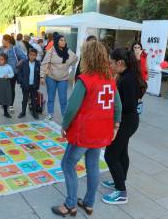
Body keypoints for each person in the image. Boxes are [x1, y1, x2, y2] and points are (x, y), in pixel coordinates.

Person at [51, 41, 121, 217]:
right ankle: (89, 203)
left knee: (67, 164)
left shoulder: (85, 80)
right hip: (101, 132)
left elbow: (72, 107)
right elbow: (117, 105)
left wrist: (64, 125)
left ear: (87, 58)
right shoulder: (110, 80)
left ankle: (70, 205)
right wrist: (116, 125)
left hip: (85, 133)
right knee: (93, 165)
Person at [101, 48, 142, 205]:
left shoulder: (127, 78)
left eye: (111, 63)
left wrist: (112, 107)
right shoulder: (126, 75)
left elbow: (129, 104)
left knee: (110, 156)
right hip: (128, 120)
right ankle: (119, 180)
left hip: (126, 121)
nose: (110, 66)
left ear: (120, 63)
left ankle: (121, 192)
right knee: (121, 152)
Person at [40, 35, 78, 121]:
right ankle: (50, 114)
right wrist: (42, 76)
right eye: (61, 40)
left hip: (63, 79)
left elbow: (76, 58)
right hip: (51, 78)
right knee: (51, 97)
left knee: (63, 99)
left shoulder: (68, 51)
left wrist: (69, 64)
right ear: (57, 41)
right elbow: (44, 63)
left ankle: (64, 116)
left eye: (64, 40)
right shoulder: (51, 51)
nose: (63, 42)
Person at [0, 34, 27, 114]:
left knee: (11, 89)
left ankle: (10, 105)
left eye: (3, 40)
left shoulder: (15, 48)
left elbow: (24, 57)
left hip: (12, 73)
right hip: (2, 73)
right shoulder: (1, 48)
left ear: (7, 41)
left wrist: (18, 64)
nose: (2, 41)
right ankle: (4, 103)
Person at [17, 48, 41, 119]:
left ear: (36, 56)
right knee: (25, 99)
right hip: (25, 85)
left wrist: (38, 83)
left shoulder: (38, 64)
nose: (32, 56)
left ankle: (34, 112)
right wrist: (21, 81)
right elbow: (19, 72)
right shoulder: (24, 63)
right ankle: (23, 112)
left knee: (34, 100)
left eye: (34, 55)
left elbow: (40, 74)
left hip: (34, 85)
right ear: (28, 55)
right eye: (30, 55)